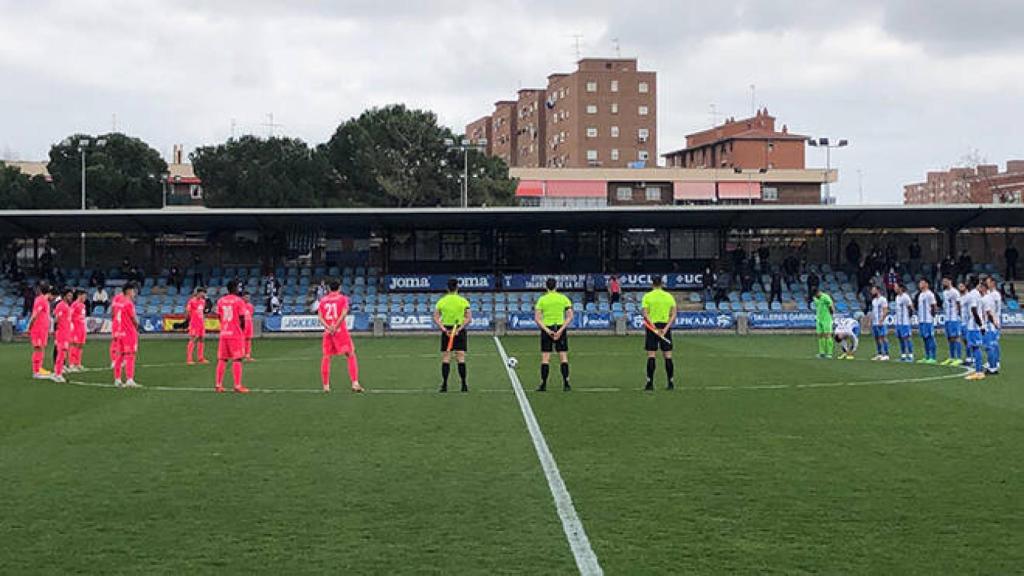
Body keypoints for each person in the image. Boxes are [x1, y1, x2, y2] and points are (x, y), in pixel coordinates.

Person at [317, 279, 363, 393]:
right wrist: (335, 326)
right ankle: (355, 383)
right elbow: (344, 313)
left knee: (326, 356)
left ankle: (326, 386)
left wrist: (328, 327)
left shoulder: (323, 300)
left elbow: (320, 316)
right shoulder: (342, 298)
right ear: (340, 288)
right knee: (350, 354)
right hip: (340, 331)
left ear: (328, 288)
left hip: (328, 331)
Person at [534, 277, 574, 392]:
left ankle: (543, 384)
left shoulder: (542, 299)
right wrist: (561, 330)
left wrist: (547, 331)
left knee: (545, 358)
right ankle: (566, 383)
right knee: (563, 357)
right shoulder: (563, 298)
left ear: (546, 287)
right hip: (560, 328)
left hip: (547, 329)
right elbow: (570, 316)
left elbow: (537, 318)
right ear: (556, 286)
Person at [433, 278, 472, 393]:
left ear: (447, 288)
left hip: (447, 330)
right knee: (460, 357)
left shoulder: (441, 301)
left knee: (446, 357)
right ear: (457, 288)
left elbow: (435, 317)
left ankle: (444, 385)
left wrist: (444, 329)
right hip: (459, 330)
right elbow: (469, 318)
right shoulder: (463, 301)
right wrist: (459, 329)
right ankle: (464, 385)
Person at [641, 276, 677, 391]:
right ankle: (670, 382)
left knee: (651, 355)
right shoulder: (669, 296)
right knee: (668, 356)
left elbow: (645, 314)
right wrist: (666, 328)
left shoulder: (647, 296)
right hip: (665, 327)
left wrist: (654, 327)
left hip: (653, 328)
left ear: (652, 284)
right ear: (662, 284)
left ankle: (650, 383)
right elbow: (674, 314)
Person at [215, 280, 249, 393]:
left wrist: (225, 326)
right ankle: (237, 385)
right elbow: (242, 318)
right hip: (235, 333)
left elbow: (219, 316)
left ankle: (218, 384)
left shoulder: (221, 301)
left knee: (222, 359)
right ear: (234, 288)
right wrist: (242, 330)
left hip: (224, 333)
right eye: (238, 287)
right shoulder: (239, 301)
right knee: (237, 359)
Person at [110, 282, 141, 388]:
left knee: (119, 356)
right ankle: (129, 379)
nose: (134, 293)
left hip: (119, 332)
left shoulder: (118, 300)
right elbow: (133, 318)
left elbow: (113, 314)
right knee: (130, 355)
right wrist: (137, 326)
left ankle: (117, 379)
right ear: (128, 291)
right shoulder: (128, 303)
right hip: (129, 332)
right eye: (133, 291)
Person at [28, 282, 56, 379]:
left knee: (41, 349)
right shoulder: (40, 301)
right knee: (38, 348)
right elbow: (35, 315)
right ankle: (36, 371)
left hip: (42, 329)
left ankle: (39, 368)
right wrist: (29, 327)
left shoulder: (45, 301)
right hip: (38, 329)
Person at [962, 276, 987, 381]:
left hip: (974, 325)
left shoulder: (973, 294)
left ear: (971, 282)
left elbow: (974, 310)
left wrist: (980, 325)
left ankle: (979, 372)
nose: (966, 282)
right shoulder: (975, 294)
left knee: (976, 347)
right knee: (974, 347)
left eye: (968, 281)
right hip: (974, 325)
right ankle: (978, 369)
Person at [51, 288, 74, 383]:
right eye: (69, 295)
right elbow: (56, 320)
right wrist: (56, 332)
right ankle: (57, 374)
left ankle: (58, 372)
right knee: (61, 353)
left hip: (66, 333)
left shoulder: (66, 306)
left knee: (63, 353)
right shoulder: (61, 306)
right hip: (61, 333)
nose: (71, 297)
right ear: (64, 296)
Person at [940, 277, 964, 366]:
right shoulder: (945, 292)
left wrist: (959, 315)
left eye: (945, 281)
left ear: (950, 281)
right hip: (947, 318)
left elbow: (959, 304)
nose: (944, 282)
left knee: (956, 337)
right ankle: (952, 357)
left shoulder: (955, 292)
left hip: (954, 318)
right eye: (943, 281)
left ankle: (959, 358)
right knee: (949, 338)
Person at [982, 276, 1002, 375]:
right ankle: (993, 362)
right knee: (992, 344)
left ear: (993, 283)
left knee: (992, 344)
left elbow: (995, 310)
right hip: (992, 322)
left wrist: (995, 320)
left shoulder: (995, 295)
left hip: (992, 322)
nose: (987, 284)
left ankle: (995, 363)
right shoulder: (989, 295)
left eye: (988, 282)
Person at [915, 278, 938, 364]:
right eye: (920, 282)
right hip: (921, 320)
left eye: (922, 283)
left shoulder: (930, 294)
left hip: (928, 320)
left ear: (926, 284)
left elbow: (934, 306)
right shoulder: (920, 294)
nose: (920, 284)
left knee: (930, 338)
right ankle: (927, 356)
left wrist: (932, 316)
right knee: (924, 338)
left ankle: (933, 357)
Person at [185, 287, 209, 365]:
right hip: (194, 323)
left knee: (202, 339)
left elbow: (202, 311)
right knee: (193, 339)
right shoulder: (192, 301)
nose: (204, 294)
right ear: (198, 293)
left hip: (201, 323)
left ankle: (200, 358)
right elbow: (188, 311)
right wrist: (189, 320)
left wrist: (203, 318)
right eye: (203, 293)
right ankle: (189, 359)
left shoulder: (203, 301)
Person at [893, 283, 915, 363]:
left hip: (905, 322)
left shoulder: (906, 297)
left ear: (900, 288)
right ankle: (903, 355)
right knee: (900, 338)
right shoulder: (897, 297)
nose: (894, 288)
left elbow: (911, 308)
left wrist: (908, 317)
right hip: (898, 322)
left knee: (907, 338)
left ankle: (910, 355)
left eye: (896, 287)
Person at [812, 287, 835, 359]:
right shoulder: (815, 298)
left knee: (828, 335)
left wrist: (831, 314)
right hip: (819, 319)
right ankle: (822, 352)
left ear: (818, 292)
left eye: (816, 295)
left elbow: (831, 305)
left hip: (826, 319)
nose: (816, 297)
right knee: (820, 335)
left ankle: (829, 353)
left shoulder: (825, 297)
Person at [68, 289, 88, 372]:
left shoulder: (83, 305)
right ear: (79, 295)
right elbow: (70, 315)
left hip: (82, 327)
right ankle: (72, 364)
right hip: (75, 327)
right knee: (74, 345)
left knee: (80, 345)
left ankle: (78, 363)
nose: (85, 297)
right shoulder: (74, 305)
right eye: (84, 296)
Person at [869, 286, 890, 361]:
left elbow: (885, 310)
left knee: (883, 337)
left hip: (881, 322)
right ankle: (879, 353)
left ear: (878, 290)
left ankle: (887, 354)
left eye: (873, 290)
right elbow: (873, 311)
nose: (872, 291)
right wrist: (871, 320)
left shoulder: (883, 299)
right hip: (875, 322)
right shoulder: (874, 300)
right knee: (876, 338)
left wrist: (882, 320)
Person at [242, 291, 255, 361]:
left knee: (248, 339)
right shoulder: (240, 305)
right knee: (242, 340)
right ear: (243, 297)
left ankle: (247, 355)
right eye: (246, 297)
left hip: (249, 324)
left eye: (249, 297)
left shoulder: (250, 306)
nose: (248, 298)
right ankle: (241, 354)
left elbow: (251, 315)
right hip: (242, 325)